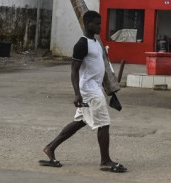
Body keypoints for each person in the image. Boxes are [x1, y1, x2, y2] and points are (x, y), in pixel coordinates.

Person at [40, 11, 127, 173]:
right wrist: (77, 93)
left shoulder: (96, 43)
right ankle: (105, 161)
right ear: (87, 24)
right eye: (96, 23)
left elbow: (99, 69)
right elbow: (74, 71)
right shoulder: (82, 44)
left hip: (95, 88)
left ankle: (50, 147)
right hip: (89, 91)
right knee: (104, 123)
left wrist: (111, 91)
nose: (100, 26)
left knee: (80, 121)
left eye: (100, 23)